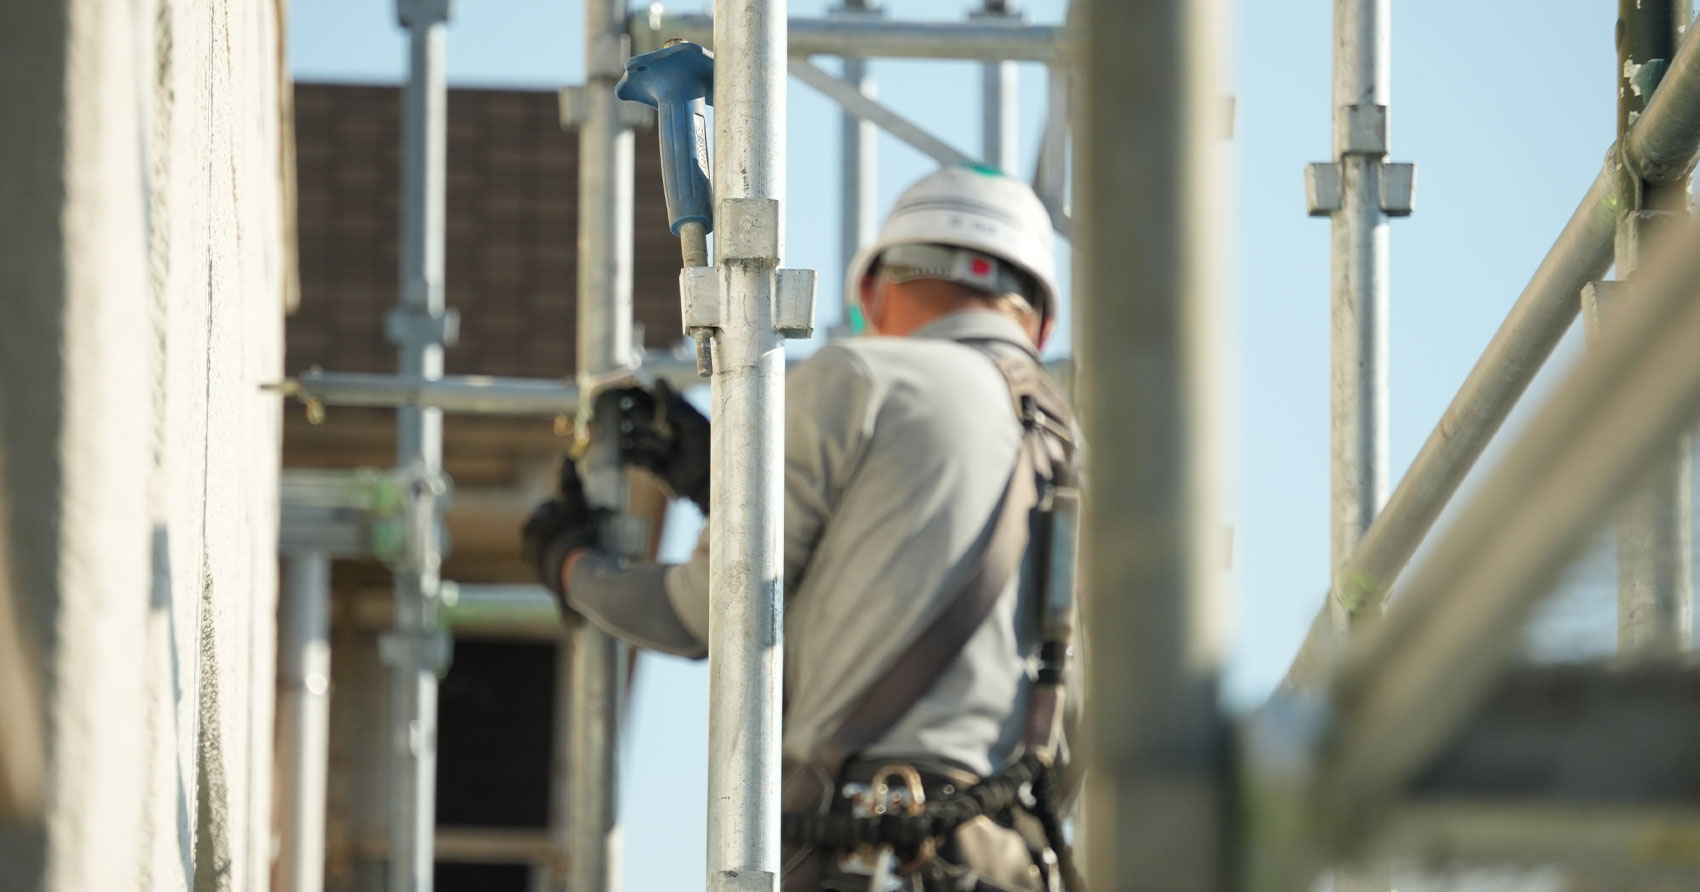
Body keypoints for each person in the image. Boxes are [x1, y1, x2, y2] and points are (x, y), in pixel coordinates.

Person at [522, 165, 1081, 892]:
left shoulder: (859, 377)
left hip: (858, 852)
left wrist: (568, 564)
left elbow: (699, 614)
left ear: (874, 288)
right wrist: (718, 484)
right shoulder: (1086, 458)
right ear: (1041, 320)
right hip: (1005, 864)